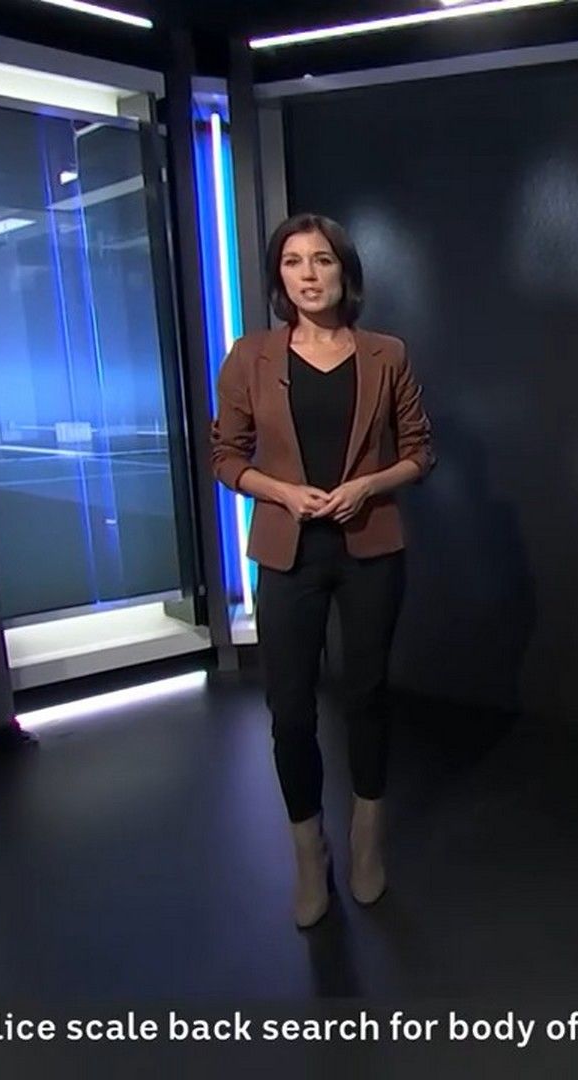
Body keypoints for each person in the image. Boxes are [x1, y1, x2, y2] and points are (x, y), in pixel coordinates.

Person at [211, 213, 436, 928]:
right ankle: (311, 855)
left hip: (370, 547)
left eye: (322, 260)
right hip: (289, 552)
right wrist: (281, 492)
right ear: (279, 277)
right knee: (289, 711)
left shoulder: (386, 354)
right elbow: (225, 457)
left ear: (345, 272)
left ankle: (367, 842)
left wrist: (368, 485)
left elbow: (420, 452)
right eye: (293, 262)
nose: (308, 275)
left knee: (366, 697)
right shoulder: (250, 356)